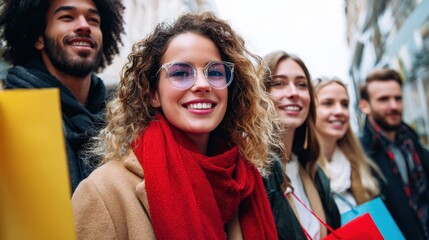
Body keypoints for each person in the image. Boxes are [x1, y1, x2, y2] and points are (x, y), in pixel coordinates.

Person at [72, 12, 281, 239]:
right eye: (181, 73)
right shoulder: (103, 192)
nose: (202, 84)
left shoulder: (246, 181)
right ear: (153, 94)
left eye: (215, 72)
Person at [0, 0, 125, 193]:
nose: (84, 26)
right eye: (67, 17)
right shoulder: (8, 117)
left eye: (93, 20)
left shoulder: (122, 120)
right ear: (38, 37)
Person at [262, 51, 340, 239]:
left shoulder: (313, 171)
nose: (293, 93)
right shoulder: (254, 173)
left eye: (301, 84)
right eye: (278, 83)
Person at [359, 68, 429, 240]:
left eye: (398, 98)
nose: (394, 106)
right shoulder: (360, 155)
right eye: (384, 99)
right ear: (365, 106)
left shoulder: (412, 142)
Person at [313, 77, 381, 214]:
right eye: (328, 103)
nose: (339, 111)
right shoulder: (304, 170)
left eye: (345, 104)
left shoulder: (359, 162)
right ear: (310, 111)